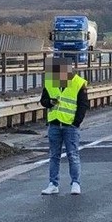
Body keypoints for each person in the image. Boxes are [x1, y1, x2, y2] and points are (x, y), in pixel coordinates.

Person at [39, 57, 89, 195]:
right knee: (54, 155)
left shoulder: (78, 83)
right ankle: (53, 184)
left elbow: (83, 105)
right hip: (54, 124)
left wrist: (76, 122)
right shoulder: (50, 82)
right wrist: (49, 102)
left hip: (70, 126)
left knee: (72, 154)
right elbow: (43, 101)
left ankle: (75, 183)